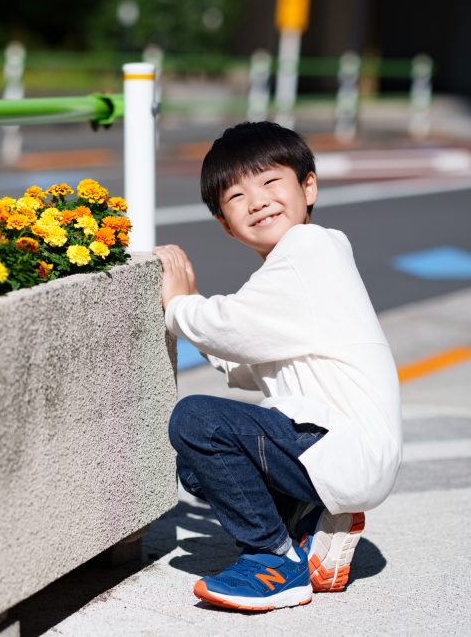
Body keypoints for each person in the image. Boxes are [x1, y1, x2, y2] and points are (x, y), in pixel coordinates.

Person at [154, 121, 401, 612]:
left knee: (196, 421)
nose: (258, 201)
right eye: (237, 196)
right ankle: (309, 525)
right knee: (198, 469)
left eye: (270, 182)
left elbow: (234, 328)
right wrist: (200, 314)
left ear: (308, 186)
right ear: (226, 223)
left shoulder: (308, 249)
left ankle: (274, 561)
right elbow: (245, 362)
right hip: (336, 450)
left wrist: (180, 304)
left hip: (339, 446)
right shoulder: (299, 263)